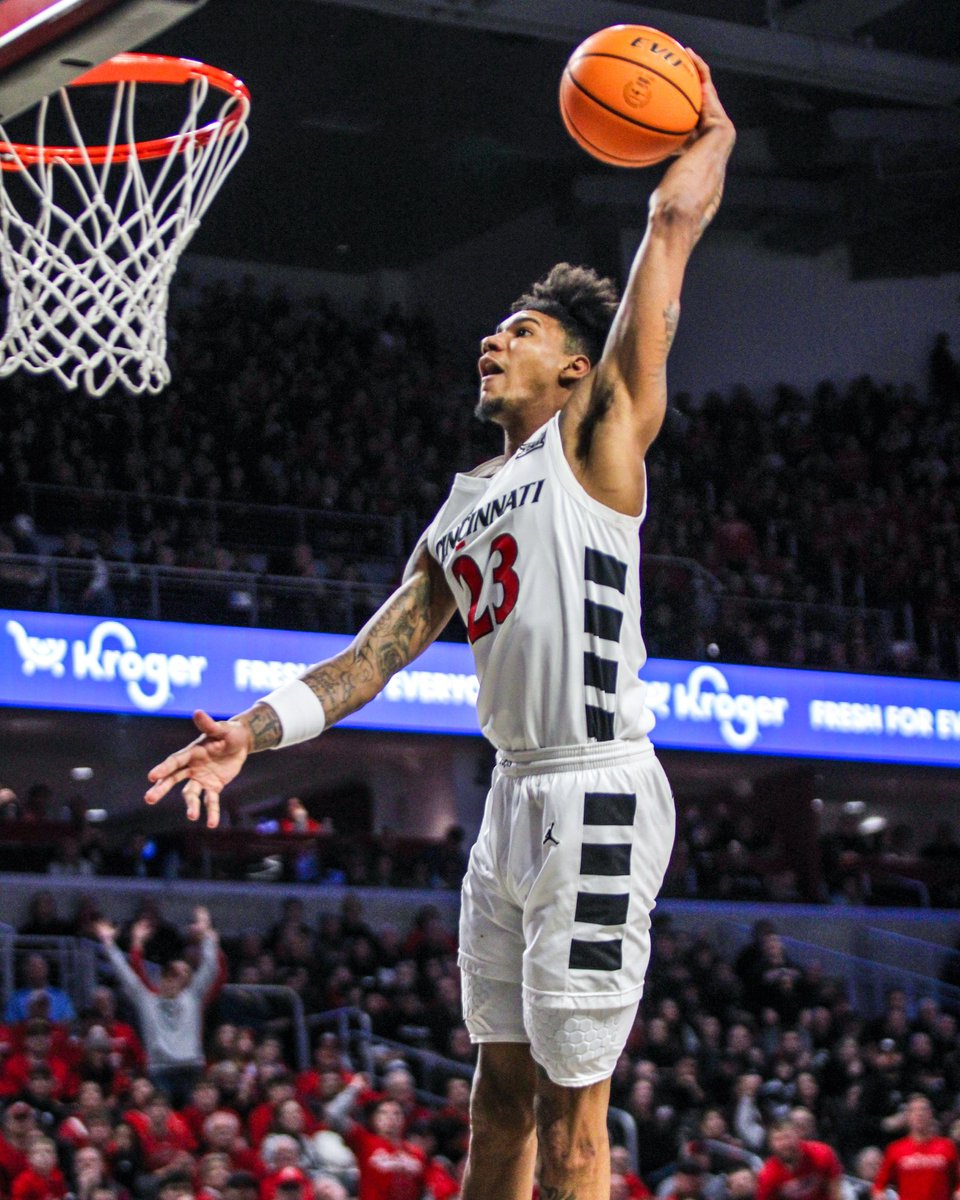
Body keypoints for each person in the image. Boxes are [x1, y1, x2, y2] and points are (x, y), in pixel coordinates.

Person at [144, 50, 735, 1200]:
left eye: (517, 329)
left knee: (575, 1117)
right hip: (513, 798)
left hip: (596, 790)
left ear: (574, 365)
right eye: (493, 330)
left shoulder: (598, 437)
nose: (490, 341)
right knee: (497, 1097)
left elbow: (669, 229)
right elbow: (370, 660)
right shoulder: (465, 505)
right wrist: (251, 734)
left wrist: (708, 139)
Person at [92, 909, 222, 1107]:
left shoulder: (193, 997)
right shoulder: (147, 1000)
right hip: (160, 1070)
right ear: (160, 980)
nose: (170, 983)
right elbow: (124, 973)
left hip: (192, 1067)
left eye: (175, 979)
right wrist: (109, 944)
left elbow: (210, 969)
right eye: (166, 978)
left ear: (181, 982)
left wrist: (207, 936)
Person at [872, 1095, 959, 1200]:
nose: (919, 1114)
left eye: (923, 1110)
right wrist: (879, 1195)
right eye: (914, 1110)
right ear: (908, 1116)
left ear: (931, 1114)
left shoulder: (947, 1146)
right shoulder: (895, 1149)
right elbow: (879, 1185)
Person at [755, 1117, 842, 1200]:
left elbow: (835, 1192)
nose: (784, 1144)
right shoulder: (768, 1175)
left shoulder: (822, 1153)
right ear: (771, 1145)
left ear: (797, 1135)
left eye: (787, 1137)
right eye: (778, 1139)